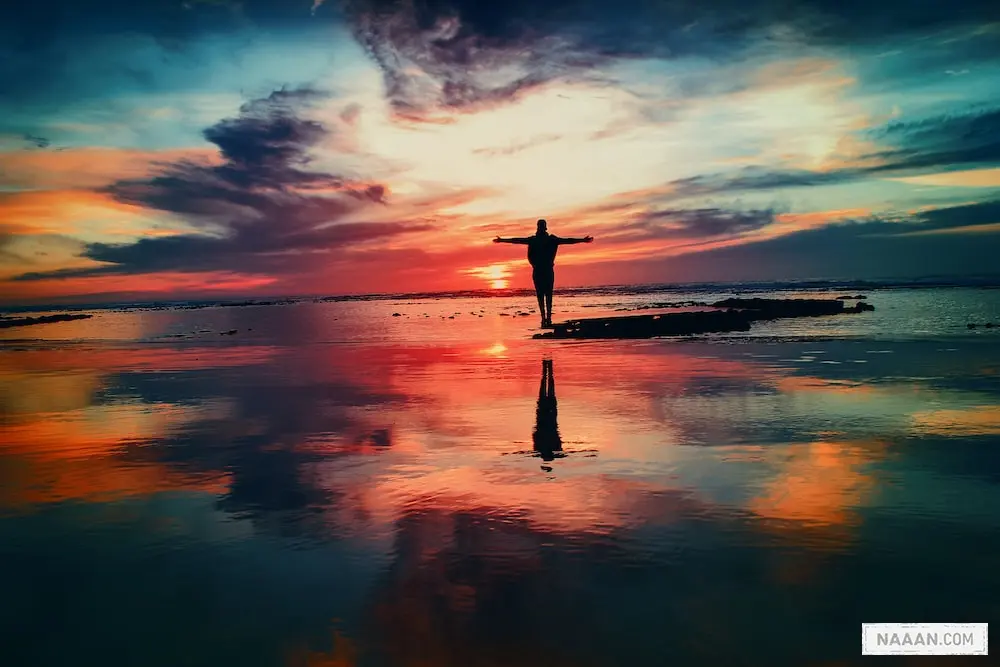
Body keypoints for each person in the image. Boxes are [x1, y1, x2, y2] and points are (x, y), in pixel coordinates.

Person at [493, 219, 593, 327]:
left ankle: (547, 317)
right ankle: (544, 317)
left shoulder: (551, 239)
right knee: (541, 294)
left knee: (547, 294)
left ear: (543, 227)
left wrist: (582, 240)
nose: (540, 228)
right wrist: (502, 240)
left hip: (546, 270)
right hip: (539, 270)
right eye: (540, 226)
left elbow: (568, 240)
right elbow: (517, 240)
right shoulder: (535, 240)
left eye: (541, 226)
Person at [532, 359, 562, 469]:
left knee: (548, 389)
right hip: (547, 418)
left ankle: (546, 366)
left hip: (545, 418)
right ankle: (547, 366)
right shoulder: (552, 449)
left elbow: (536, 437)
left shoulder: (545, 449)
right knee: (548, 389)